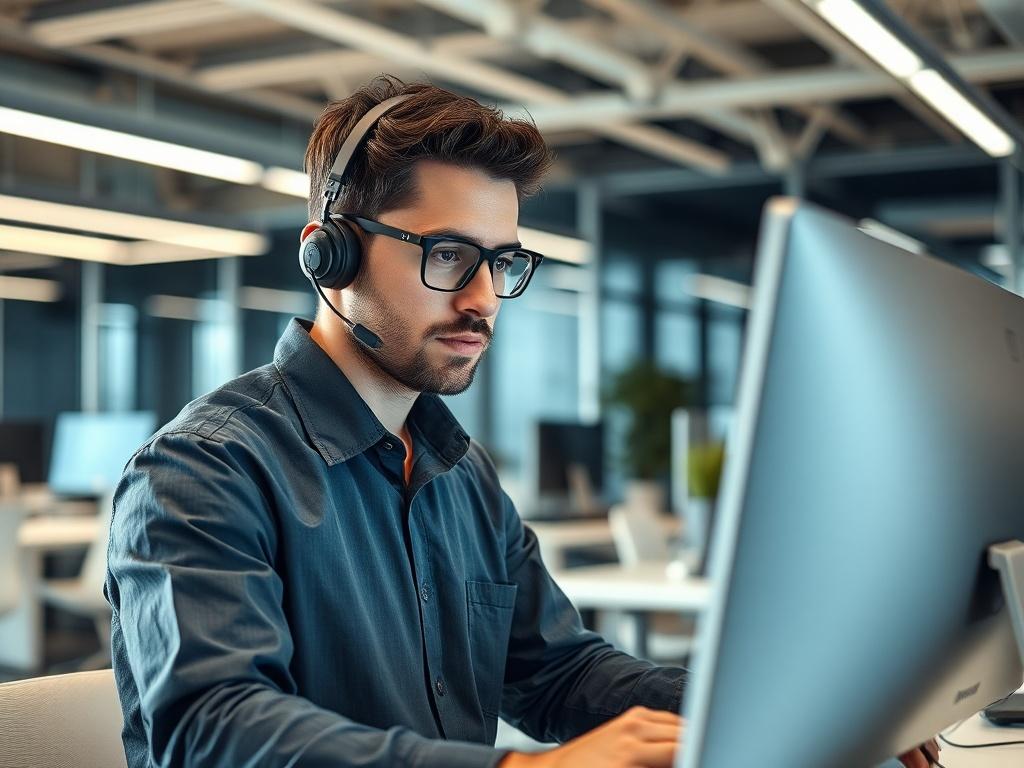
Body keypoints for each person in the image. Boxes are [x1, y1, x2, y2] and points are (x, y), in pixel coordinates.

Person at [104, 75, 938, 768]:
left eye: (500, 262)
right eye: (448, 255)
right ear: (332, 254)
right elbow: (210, 730)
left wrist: (796, 710)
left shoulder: (458, 473)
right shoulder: (203, 470)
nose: (482, 299)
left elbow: (557, 673)